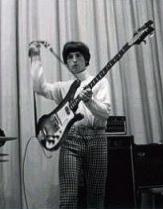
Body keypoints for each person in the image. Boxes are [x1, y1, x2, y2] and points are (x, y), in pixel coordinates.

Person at [28, 41, 111, 209]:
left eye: (78, 56)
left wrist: (90, 101)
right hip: (71, 140)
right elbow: (39, 87)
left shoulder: (101, 82)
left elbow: (105, 113)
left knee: (96, 196)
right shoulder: (63, 87)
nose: (74, 60)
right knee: (68, 196)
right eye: (69, 57)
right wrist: (35, 58)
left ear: (86, 59)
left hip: (97, 139)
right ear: (66, 63)